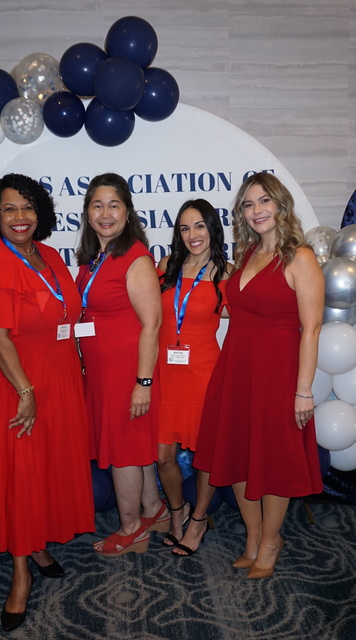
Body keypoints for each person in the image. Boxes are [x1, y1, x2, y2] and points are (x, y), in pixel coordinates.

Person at [0, 174, 95, 633]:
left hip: (58, 378)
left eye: (27, 207)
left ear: (39, 212)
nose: (19, 217)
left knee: (47, 468)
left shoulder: (50, 256)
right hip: (17, 384)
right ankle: (20, 575)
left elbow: (67, 315)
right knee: (21, 474)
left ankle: (37, 544)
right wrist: (26, 391)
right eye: (9, 209)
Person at [193, 172, 324, 579]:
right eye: (248, 205)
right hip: (236, 368)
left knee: (274, 460)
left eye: (264, 201)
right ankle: (252, 536)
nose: (256, 210)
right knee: (236, 453)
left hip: (278, 374)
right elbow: (235, 307)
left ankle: (271, 540)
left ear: (280, 204)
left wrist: (304, 391)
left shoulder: (300, 258)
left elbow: (311, 329)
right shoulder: (247, 254)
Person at [75, 173, 165, 557]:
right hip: (103, 372)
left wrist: (142, 383)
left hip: (128, 372)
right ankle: (154, 510)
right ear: (87, 213)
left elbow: (152, 324)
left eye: (114, 205)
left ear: (128, 212)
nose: (105, 213)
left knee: (124, 451)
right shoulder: (94, 257)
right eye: (98, 205)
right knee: (134, 446)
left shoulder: (135, 257)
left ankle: (131, 530)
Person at [154, 199, 233, 556]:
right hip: (165, 375)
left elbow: (244, 322)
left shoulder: (226, 273)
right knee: (163, 456)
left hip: (203, 376)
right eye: (184, 228)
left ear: (212, 228)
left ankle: (198, 520)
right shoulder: (166, 266)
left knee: (205, 457)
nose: (192, 235)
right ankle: (177, 513)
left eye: (199, 226)